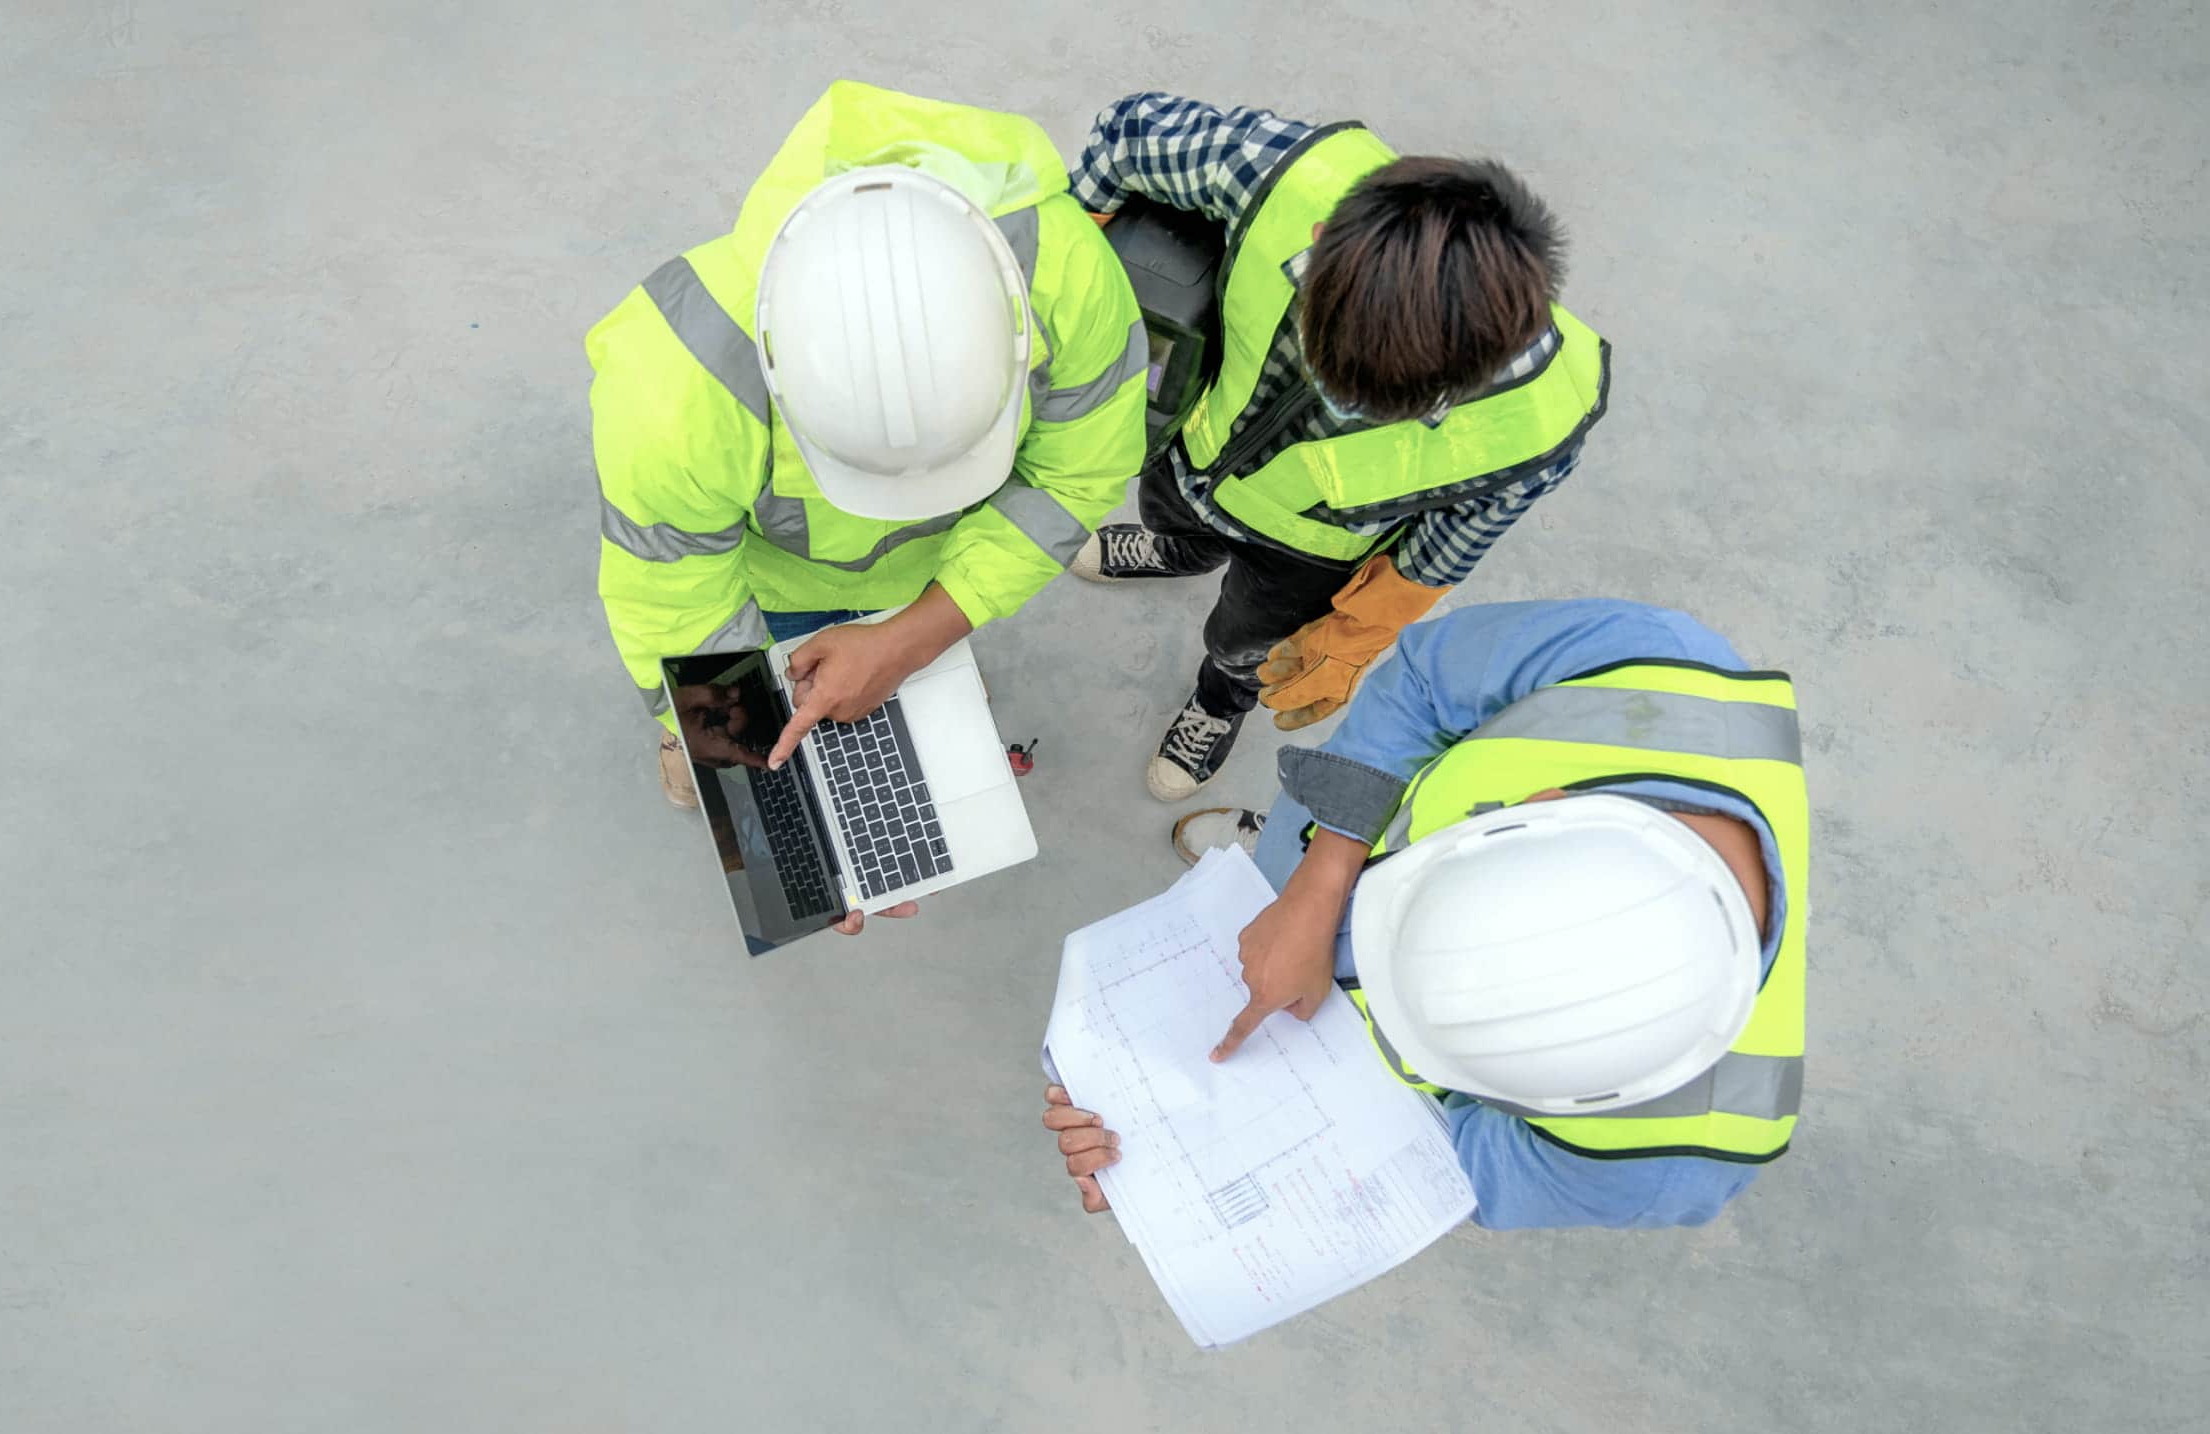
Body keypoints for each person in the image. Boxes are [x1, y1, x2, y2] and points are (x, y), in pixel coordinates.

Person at [1041, 600, 1808, 1229]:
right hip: (1323, 854)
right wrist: (1318, 877)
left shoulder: (1666, 1168)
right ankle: (1268, 855)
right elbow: (1423, 684)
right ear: (1548, 805)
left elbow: (1423, 1172)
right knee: (1291, 844)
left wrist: (1174, 1166)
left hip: (1311, 1030)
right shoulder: (1651, 666)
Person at [592, 81, 1160, 861]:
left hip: (936, 582)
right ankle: (700, 743)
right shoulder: (677, 382)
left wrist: (918, 636)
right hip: (769, 600)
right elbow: (675, 603)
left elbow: (1074, 480)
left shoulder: (1063, 276)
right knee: (739, 725)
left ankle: (923, 673)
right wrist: (759, 775)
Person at [1061, 92, 1609, 803]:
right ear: (1322, 239)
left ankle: (1220, 703)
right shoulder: (1281, 177)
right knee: (1170, 513)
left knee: (1244, 643)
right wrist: (1064, 279)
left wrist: (1354, 632)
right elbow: (1128, 135)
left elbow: (1444, 547)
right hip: (1191, 450)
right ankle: (1179, 550)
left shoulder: (1538, 425)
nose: (1334, 400)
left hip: (1305, 552)